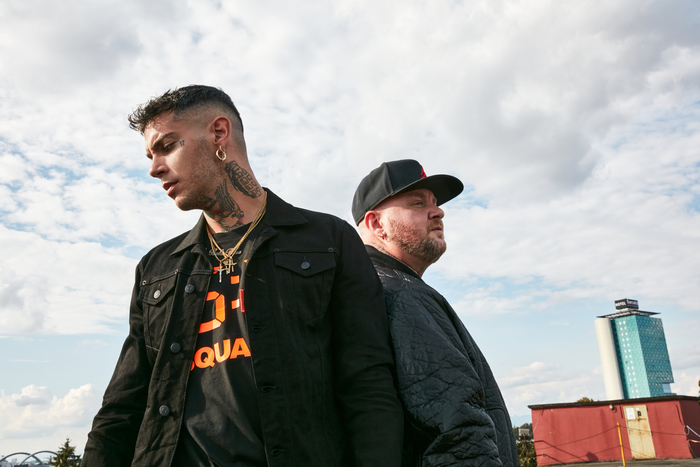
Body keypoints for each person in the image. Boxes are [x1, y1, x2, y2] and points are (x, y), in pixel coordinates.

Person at [82, 85, 403, 466]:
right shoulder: (157, 268)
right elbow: (123, 406)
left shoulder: (328, 240)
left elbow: (367, 384)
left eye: (167, 146)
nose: (154, 168)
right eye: (151, 156)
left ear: (219, 133)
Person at [352, 159, 519, 467]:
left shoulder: (372, 287)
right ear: (377, 224)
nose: (438, 212)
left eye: (435, 203)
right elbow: (454, 432)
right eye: (418, 203)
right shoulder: (398, 293)